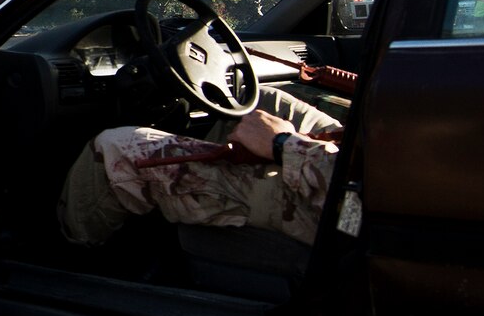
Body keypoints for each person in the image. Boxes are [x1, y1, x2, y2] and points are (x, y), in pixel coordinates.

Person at [58, 87, 342, 248]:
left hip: (341, 204)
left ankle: (76, 258)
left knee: (114, 147)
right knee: (265, 100)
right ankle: (194, 198)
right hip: (353, 155)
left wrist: (281, 143)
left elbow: (369, 187)